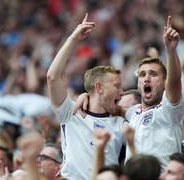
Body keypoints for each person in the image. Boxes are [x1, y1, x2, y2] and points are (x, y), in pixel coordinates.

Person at [46, 13, 125, 179]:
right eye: (116, 86)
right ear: (99, 87)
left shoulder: (122, 123)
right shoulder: (70, 112)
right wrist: (73, 39)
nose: (121, 92)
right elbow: (52, 77)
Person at [124, 15, 184, 170]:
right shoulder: (132, 112)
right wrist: (85, 95)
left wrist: (170, 51)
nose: (146, 79)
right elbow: (104, 103)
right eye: (143, 74)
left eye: (153, 74)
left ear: (165, 83)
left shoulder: (169, 109)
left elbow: (175, 80)